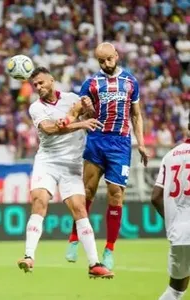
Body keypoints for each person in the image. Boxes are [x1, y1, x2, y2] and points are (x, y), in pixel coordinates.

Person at [16, 66, 113, 278]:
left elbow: (93, 116)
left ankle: (94, 264)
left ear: (52, 80)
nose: (39, 87)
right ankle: (29, 256)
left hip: (72, 164)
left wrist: (88, 106)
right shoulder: (36, 108)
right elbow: (50, 129)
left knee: (80, 208)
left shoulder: (71, 98)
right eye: (35, 85)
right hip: (47, 162)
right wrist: (81, 124)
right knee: (39, 201)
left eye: (41, 82)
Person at [65, 42, 149, 270]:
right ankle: (74, 238)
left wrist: (140, 143)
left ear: (117, 55)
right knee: (87, 191)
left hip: (120, 144)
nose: (106, 64)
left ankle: (109, 248)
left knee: (116, 196)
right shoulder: (91, 83)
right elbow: (77, 111)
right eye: (101, 61)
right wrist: (84, 111)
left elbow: (137, 115)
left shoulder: (131, 81)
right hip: (96, 141)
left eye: (109, 59)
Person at [152, 114, 190, 300]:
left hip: (179, 235)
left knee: (175, 290)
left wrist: (173, 222)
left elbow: (156, 197)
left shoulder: (170, 155)